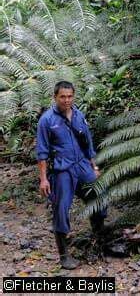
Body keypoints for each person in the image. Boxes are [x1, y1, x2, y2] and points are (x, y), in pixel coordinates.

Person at [36, 80, 107, 270]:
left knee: (99, 196)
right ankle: (64, 255)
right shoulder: (47, 120)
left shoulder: (78, 114)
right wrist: (43, 179)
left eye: (69, 96)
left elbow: (88, 143)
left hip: (82, 164)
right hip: (62, 169)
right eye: (62, 97)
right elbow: (41, 152)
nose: (66, 100)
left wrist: (94, 166)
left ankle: (100, 240)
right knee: (61, 208)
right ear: (55, 97)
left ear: (73, 96)